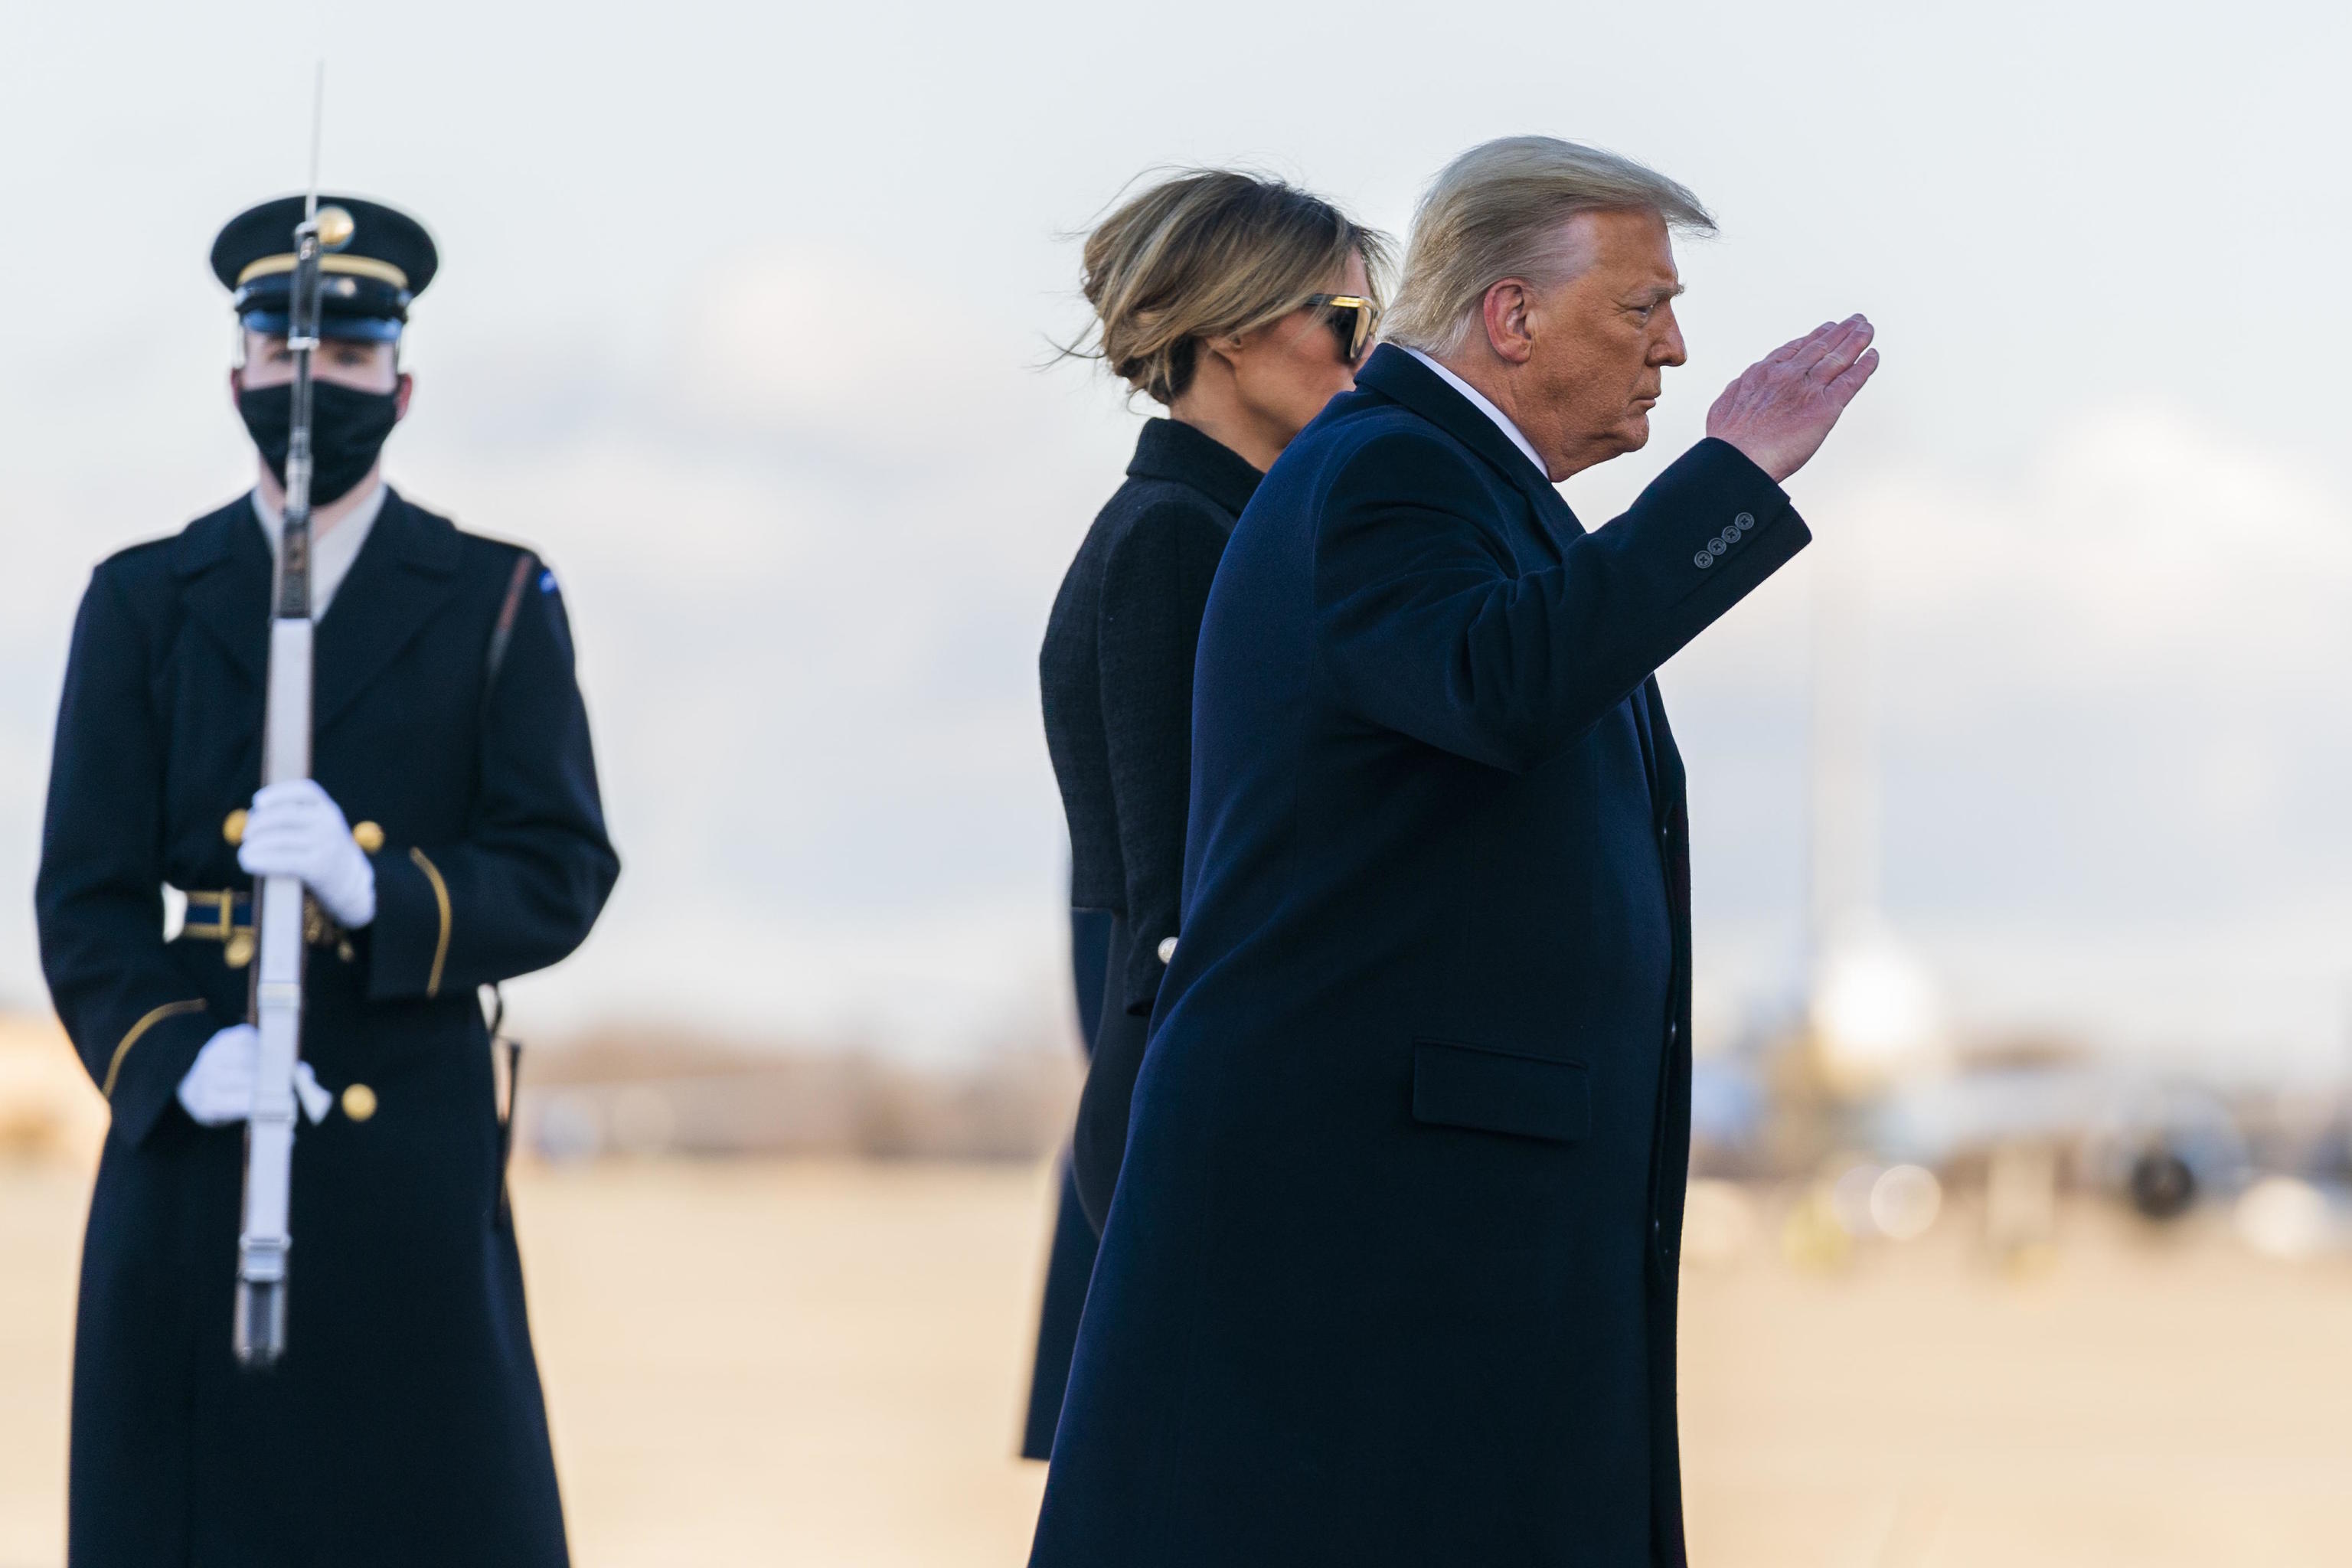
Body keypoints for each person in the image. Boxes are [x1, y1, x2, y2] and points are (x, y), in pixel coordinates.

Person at [1030, 136, 1878, 1566]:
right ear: (1511, 314)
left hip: (1437, 1234)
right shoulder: (1390, 473)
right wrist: (1733, 476)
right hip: (1379, 1238)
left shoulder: (1469, 491)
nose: (1675, 348)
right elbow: (1500, 680)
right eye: (1641, 306)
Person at [36, 194, 619, 1567]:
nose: (314, 383)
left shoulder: (493, 597)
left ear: (400, 384)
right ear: (238, 372)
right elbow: (85, 894)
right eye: (285, 350)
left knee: (420, 1510)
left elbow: (561, 866)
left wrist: (383, 891)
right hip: (201, 1138)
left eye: (349, 357)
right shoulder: (143, 598)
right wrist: (173, 1057)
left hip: (403, 1130)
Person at [1021, 172, 1390, 1457]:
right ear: (1232, 331)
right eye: (1345, 318)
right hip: (1218, 1104)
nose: (1368, 349)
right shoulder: (1180, 539)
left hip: (1211, 1090)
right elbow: (1192, 892)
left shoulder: (1220, 525)